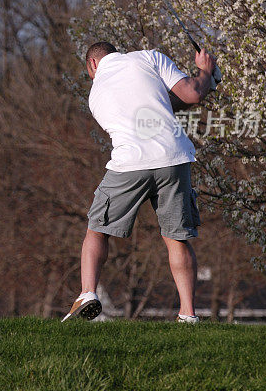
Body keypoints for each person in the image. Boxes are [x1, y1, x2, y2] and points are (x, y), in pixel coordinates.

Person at [62, 41, 217, 323]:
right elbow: (189, 95)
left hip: (129, 162)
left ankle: (87, 293)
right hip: (173, 157)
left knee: (97, 230)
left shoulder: (95, 95)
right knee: (177, 239)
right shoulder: (149, 58)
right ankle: (187, 314)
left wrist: (203, 83)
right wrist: (205, 73)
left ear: (93, 64)